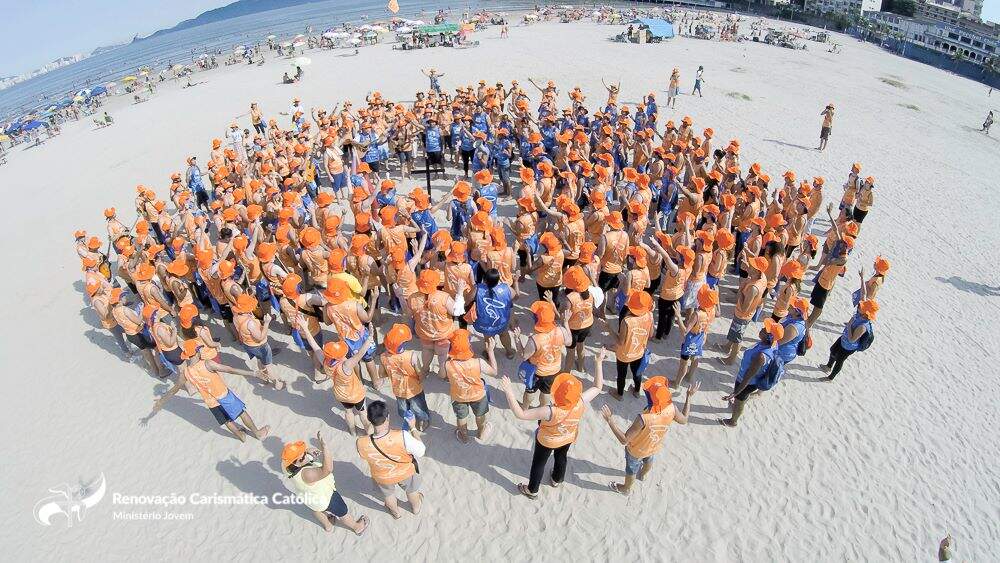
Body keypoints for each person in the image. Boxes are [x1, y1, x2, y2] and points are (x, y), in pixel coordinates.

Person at [499, 350, 605, 500]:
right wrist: (598, 362)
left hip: (547, 440)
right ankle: (557, 479)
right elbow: (598, 387)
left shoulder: (550, 411)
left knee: (539, 463)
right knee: (561, 457)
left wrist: (509, 391)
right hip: (568, 436)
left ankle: (532, 490)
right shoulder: (580, 402)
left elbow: (521, 414)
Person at [143, 340, 270, 442]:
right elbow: (230, 370)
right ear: (197, 352)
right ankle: (257, 433)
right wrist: (254, 373)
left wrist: (161, 401)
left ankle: (241, 436)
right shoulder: (207, 363)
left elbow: (174, 389)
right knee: (242, 412)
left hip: (211, 403)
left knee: (226, 420)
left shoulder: (186, 372)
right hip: (223, 395)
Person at [601, 376, 698, 495]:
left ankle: (626, 489)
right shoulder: (672, 408)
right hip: (654, 446)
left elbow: (624, 440)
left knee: (631, 470)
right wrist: (689, 397)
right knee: (648, 460)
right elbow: (684, 419)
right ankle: (643, 475)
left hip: (636, 451)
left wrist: (610, 420)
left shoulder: (643, 419)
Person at [282, 434, 369, 535]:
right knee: (342, 511)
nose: (305, 455)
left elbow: (301, 459)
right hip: (327, 498)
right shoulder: (307, 474)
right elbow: (327, 469)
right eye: (303, 457)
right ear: (295, 463)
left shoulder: (285, 466)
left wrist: (307, 454)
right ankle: (357, 527)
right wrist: (325, 448)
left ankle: (328, 526)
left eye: (304, 452)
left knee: (316, 510)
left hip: (309, 498)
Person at [355, 400, 426, 519]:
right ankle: (415, 508)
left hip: (382, 476)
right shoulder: (401, 435)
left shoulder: (360, 442)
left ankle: (396, 512)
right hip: (405, 471)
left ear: (369, 419)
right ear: (387, 417)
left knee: (388, 495)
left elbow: (363, 456)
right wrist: (413, 428)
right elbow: (421, 451)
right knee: (411, 491)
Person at [720, 318, 786, 427]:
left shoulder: (761, 356)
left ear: (769, 337)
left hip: (748, 382)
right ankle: (737, 402)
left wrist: (736, 392)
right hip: (747, 379)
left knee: (740, 400)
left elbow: (748, 377)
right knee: (740, 398)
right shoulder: (771, 344)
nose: (762, 329)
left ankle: (733, 421)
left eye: (765, 330)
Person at [442, 328, 497, 442]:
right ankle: (481, 433)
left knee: (461, 417)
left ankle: (464, 437)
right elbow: (494, 372)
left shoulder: (448, 364)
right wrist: (490, 352)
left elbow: (441, 375)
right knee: (480, 415)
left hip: (458, 396)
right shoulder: (478, 362)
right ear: (469, 346)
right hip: (478, 395)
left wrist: (445, 359)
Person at [379, 323, 431, 431]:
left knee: (403, 407)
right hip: (414, 388)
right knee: (419, 406)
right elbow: (419, 373)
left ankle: (408, 420)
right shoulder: (412, 355)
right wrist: (421, 379)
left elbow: (381, 374)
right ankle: (423, 420)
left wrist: (392, 372)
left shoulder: (383, 357)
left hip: (398, 389)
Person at [822, 298, 878, 381]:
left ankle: (830, 378)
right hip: (843, 338)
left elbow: (852, 340)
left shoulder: (862, 327)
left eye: (861, 307)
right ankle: (828, 366)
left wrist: (849, 326)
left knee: (839, 360)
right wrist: (850, 324)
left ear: (866, 313)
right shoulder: (858, 315)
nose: (859, 306)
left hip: (848, 347)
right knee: (833, 350)